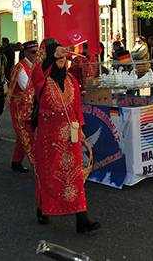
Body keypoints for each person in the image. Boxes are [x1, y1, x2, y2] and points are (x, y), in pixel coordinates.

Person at [31, 40, 100, 233]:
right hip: (48, 137)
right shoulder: (42, 80)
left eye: (64, 58)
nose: (62, 61)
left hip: (71, 136)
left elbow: (76, 107)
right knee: (48, 174)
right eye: (58, 57)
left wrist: (81, 129)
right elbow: (38, 70)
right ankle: (42, 208)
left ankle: (82, 218)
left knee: (75, 176)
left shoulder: (71, 80)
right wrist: (51, 53)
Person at [7, 41, 39, 173]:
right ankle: (38, 168)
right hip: (20, 109)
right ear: (25, 52)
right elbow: (28, 87)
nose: (36, 54)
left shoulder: (36, 66)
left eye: (38, 52)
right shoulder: (20, 67)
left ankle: (16, 161)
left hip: (30, 107)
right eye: (33, 52)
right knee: (27, 137)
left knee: (23, 136)